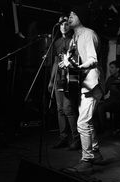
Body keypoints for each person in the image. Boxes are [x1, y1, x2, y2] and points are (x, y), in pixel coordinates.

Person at [60, 5, 104, 173]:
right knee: (88, 121)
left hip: (91, 83)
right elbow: (75, 61)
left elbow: (92, 60)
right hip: (83, 84)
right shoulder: (74, 38)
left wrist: (77, 67)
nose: (69, 17)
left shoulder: (88, 34)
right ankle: (97, 154)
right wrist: (67, 63)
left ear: (81, 17)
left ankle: (87, 161)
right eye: (69, 14)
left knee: (82, 122)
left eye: (73, 14)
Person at [48, 16, 80, 150]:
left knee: (68, 108)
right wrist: (51, 80)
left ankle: (76, 139)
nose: (63, 27)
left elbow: (77, 59)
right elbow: (56, 62)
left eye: (66, 24)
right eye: (61, 25)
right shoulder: (56, 42)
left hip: (70, 77)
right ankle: (63, 138)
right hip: (58, 79)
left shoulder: (74, 40)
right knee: (60, 109)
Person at [93, 60, 120, 134]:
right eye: (110, 68)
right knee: (96, 106)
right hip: (111, 100)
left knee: (101, 107)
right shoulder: (110, 78)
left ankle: (103, 130)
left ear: (117, 69)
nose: (110, 70)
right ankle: (100, 128)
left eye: (112, 67)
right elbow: (104, 92)